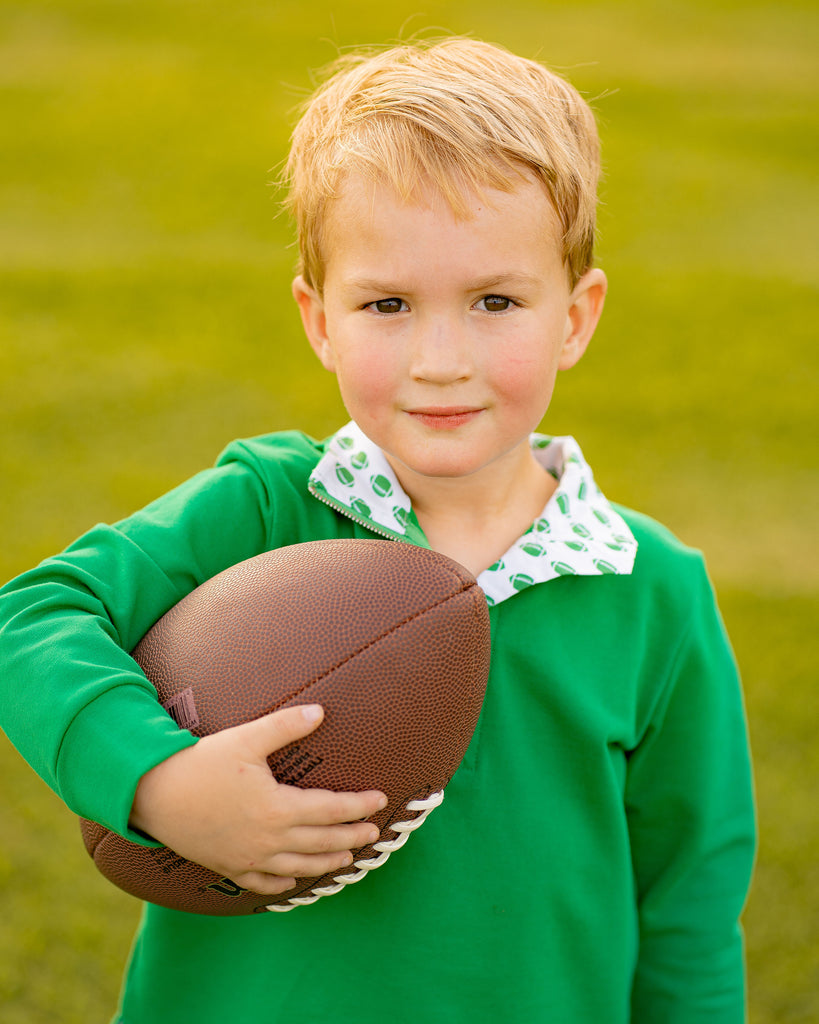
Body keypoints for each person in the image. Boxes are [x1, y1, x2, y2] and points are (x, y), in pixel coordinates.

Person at [0, 37, 755, 1023]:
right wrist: (157, 780)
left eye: (495, 301)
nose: (440, 359)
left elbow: (689, 905)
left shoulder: (652, 589)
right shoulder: (269, 504)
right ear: (320, 320)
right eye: (388, 304)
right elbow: (34, 614)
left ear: (576, 315)